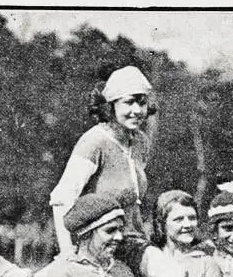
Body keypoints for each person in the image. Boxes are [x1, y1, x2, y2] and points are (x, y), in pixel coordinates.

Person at [50, 65, 155, 255]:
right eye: (129, 102)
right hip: (97, 245)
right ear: (111, 105)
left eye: (142, 103)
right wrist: (67, 253)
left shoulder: (141, 142)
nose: (137, 110)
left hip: (133, 241)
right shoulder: (94, 141)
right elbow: (61, 200)